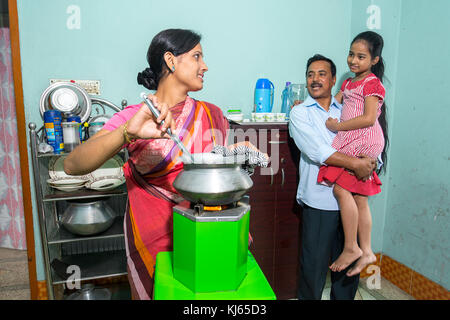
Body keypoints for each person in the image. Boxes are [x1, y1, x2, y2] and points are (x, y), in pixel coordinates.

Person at [64, 29, 246, 299]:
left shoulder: (212, 113)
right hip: (155, 240)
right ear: (171, 61)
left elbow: (213, 164)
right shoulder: (135, 117)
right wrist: (126, 133)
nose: (205, 66)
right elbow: (72, 165)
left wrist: (237, 157)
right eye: (197, 57)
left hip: (209, 233)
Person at [289, 54, 376, 300]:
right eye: (310, 74)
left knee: (348, 272)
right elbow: (318, 151)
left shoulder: (349, 112)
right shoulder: (300, 113)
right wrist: (354, 163)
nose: (315, 79)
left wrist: (369, 161)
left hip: (354, 197)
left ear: (334, 79)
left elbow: (368, 137)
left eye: (322, 74)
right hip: (320, 201)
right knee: (313, 269)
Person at [318, 31, 388, 277]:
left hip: (364, 139)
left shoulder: (371, 84)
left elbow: (369, 118)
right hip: (353, 138)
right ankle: (366, 250)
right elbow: (333, 102)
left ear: (374, 60)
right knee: (359, 199)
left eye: (361, 56)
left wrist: (338, 127)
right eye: (351, 54)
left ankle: (351, 246)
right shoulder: (349, 82)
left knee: (340, 189)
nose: (353, 61)